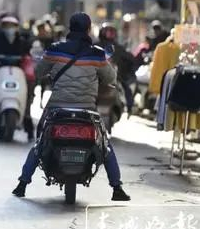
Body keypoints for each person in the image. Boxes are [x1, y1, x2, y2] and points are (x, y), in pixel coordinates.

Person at [11, 13, 131, 202]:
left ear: (70, 28)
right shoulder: (97, 54)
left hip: (57, 108)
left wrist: (51, 72)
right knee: (105, 145)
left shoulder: (55, 50)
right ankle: (117, 188)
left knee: (40, 141)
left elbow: (38, 72)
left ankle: (22, 184)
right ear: (88, 29)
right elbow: (110, 78)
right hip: (87, 111)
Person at [96, 23, 137, 114]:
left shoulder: (118, 48)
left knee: (126, 86)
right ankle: (130, 107)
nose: (110, 34)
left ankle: (130, 107)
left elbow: (130, 60)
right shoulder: (95, 46)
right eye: (108, 32)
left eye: (112, 32)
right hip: (98, 77)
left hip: (111, 76)